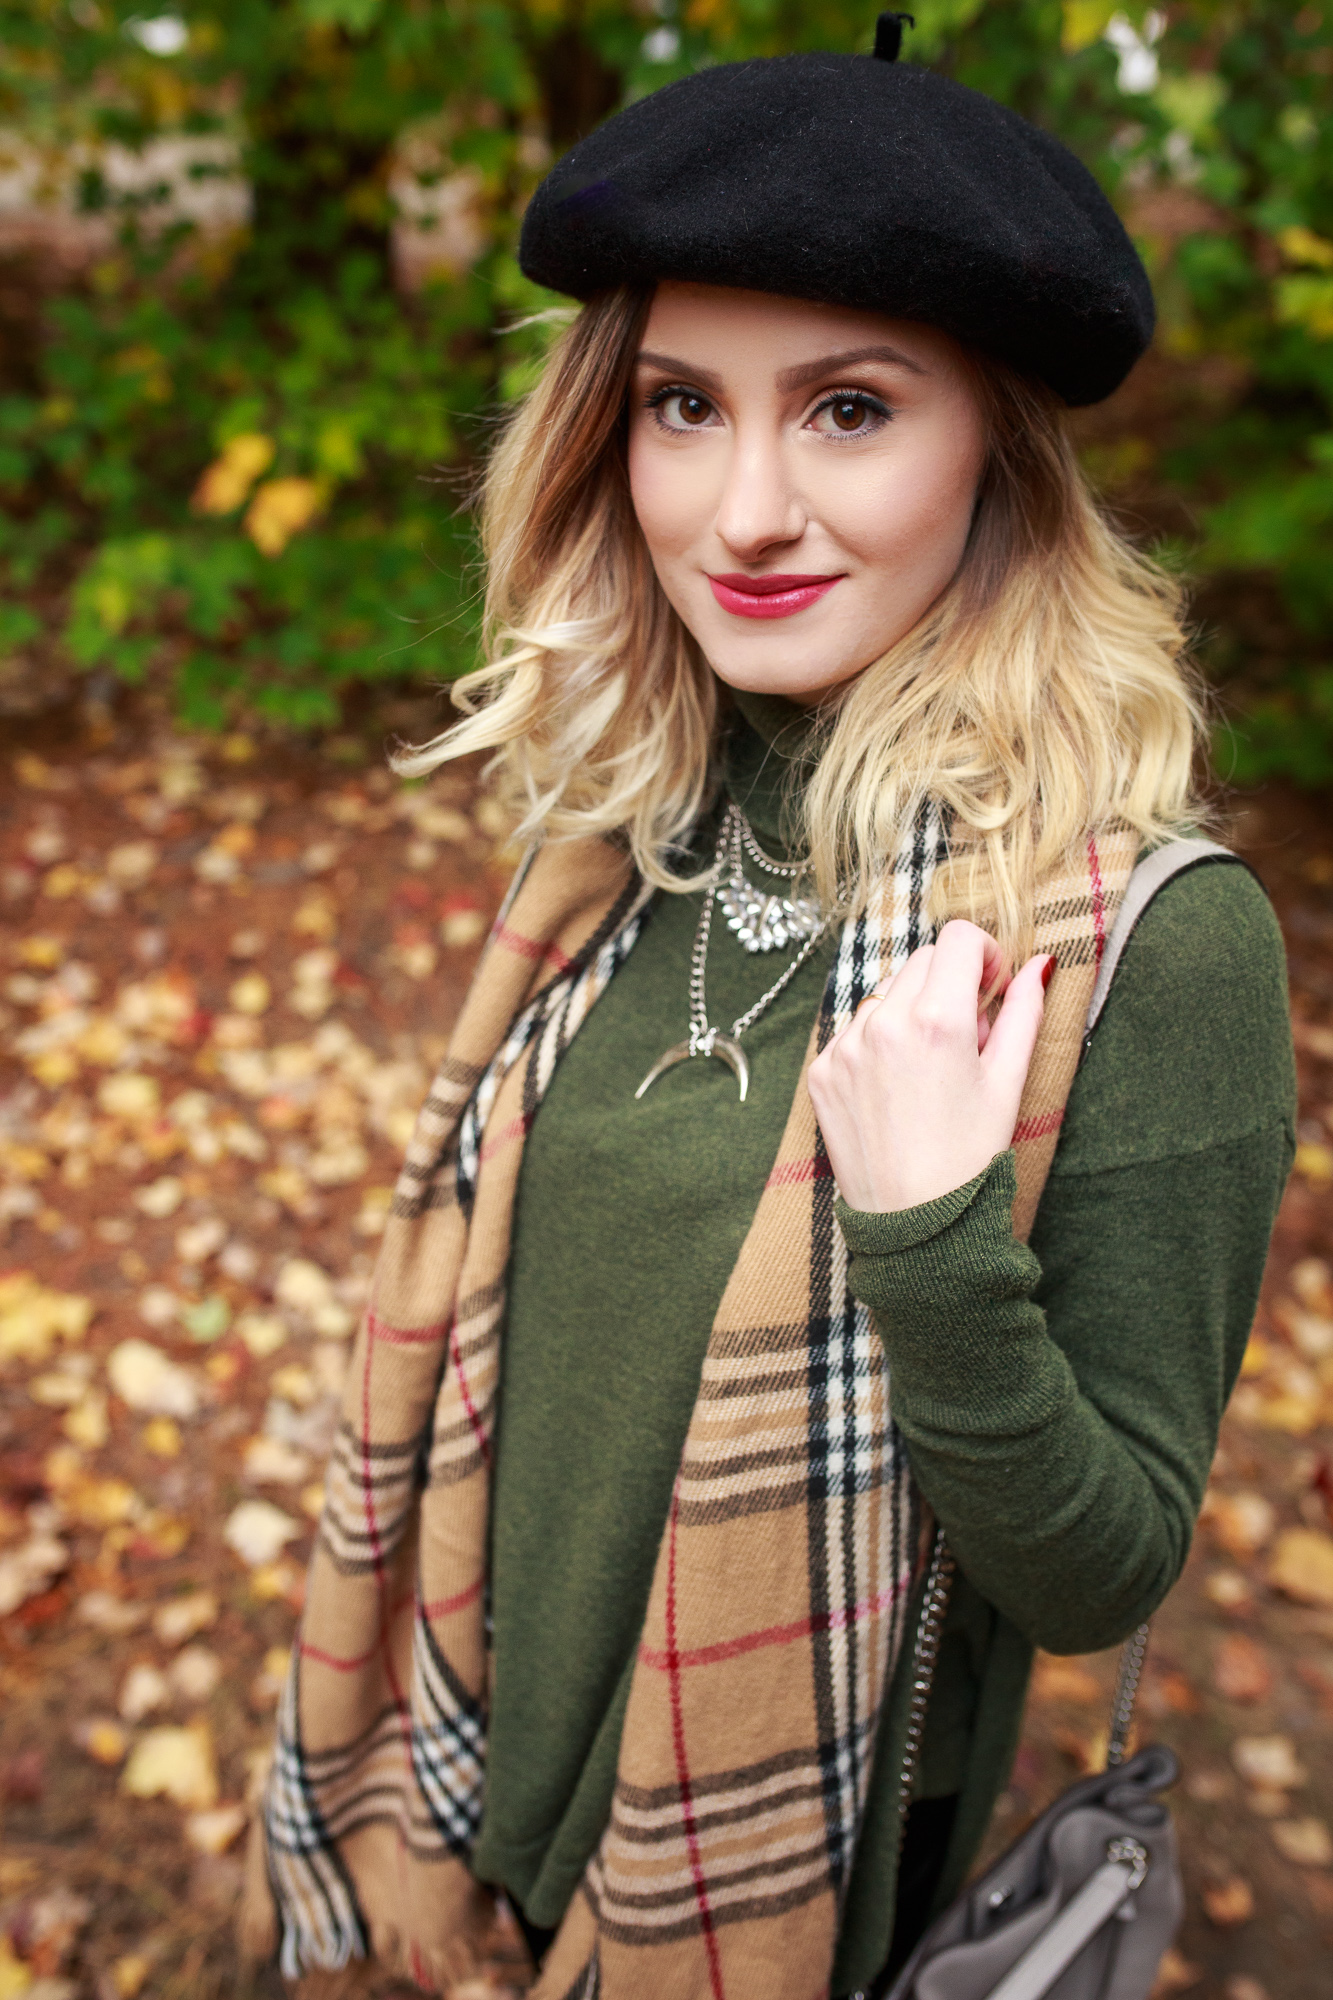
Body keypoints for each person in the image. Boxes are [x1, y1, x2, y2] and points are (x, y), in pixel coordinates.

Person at [242, 23, 1295, 2000]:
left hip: (769, 1867)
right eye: (677, 405)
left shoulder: (1143, 945)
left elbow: (1101, 1567)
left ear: (993, 443)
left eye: (844, 409)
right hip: (486, 1766)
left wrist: (930, 1238)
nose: (740, 511)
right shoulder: (623, 830)